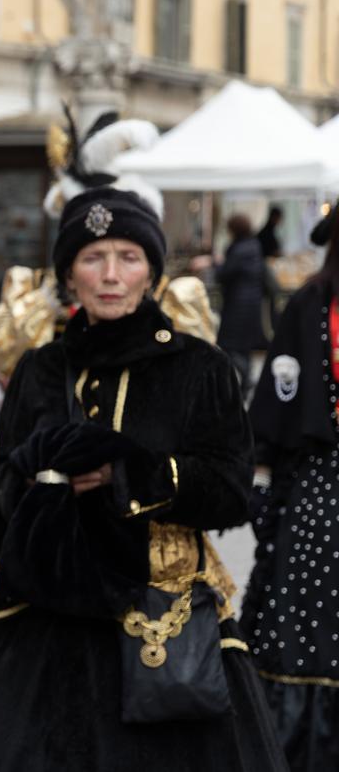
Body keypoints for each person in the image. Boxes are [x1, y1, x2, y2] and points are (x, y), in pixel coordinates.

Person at [0, 185, 288, 771]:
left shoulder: (200, 367)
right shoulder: (40, 367)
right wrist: (28, 483)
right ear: (69, 274)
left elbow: (232, 490)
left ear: (151, 271)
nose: (110, 275)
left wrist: (131, 476)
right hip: (41, 615)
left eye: (127, 258)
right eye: (92, 258)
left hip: (160, 614)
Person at [241, 219, 339, 771]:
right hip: (318, 492)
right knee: (305, 631)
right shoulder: (311, 305)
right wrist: (260, 488)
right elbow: (276, 411)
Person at [213, 213, 268, 396]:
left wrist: (217, 262)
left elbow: (224, 274)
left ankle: (246, 379)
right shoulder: (254, 246)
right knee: (243, 346)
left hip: (237, 303)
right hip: (252, 302)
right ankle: (245, 383)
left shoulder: (238, 250)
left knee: (228, 344)